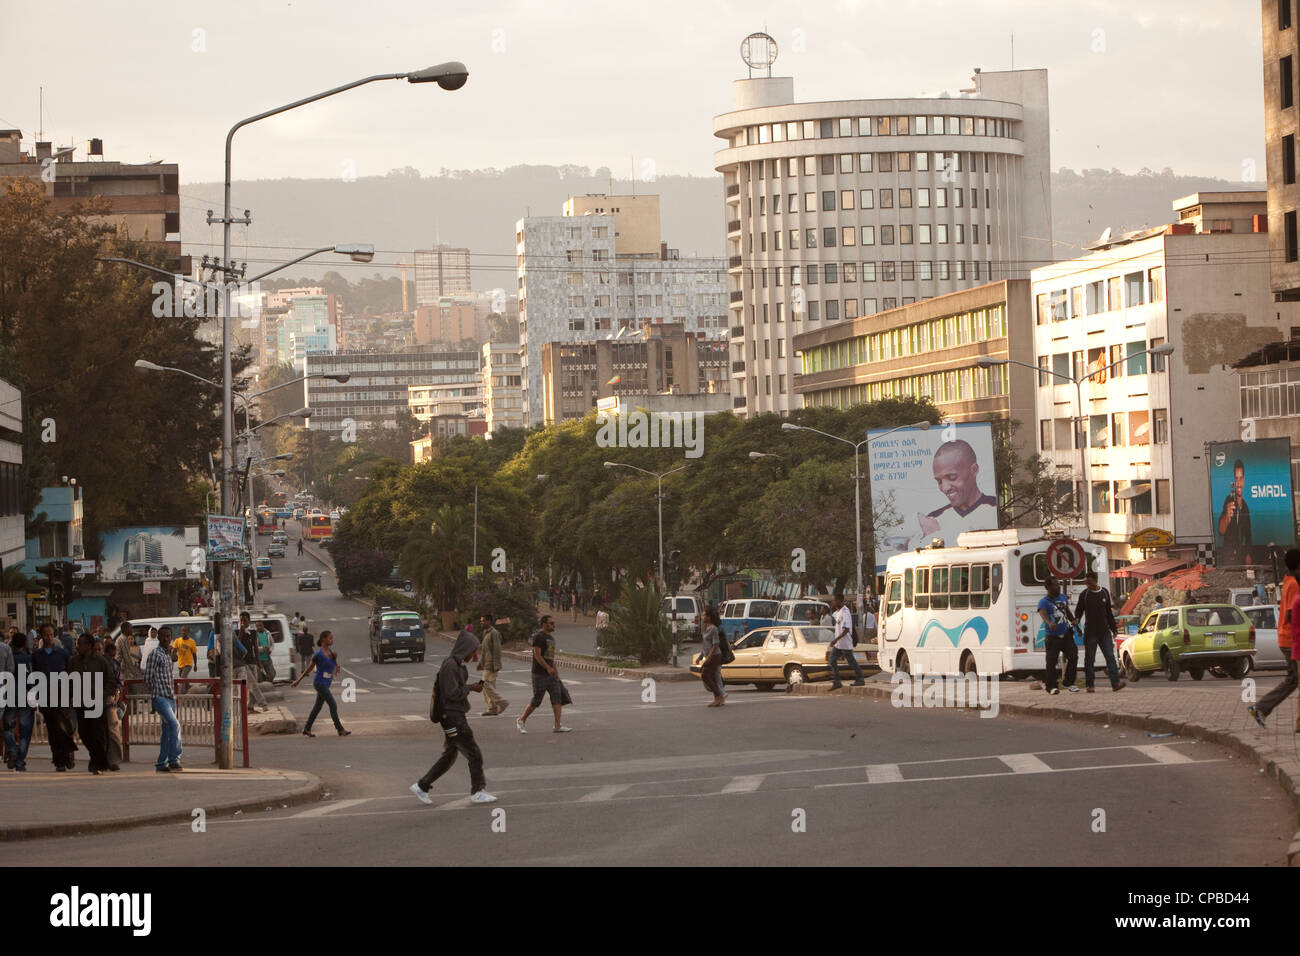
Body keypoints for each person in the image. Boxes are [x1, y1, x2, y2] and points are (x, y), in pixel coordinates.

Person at [410, 629, 496, 805]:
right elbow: (452, 693)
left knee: (449, 755)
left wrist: (469, 688)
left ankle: (422, 785)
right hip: (452, 717)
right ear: (465, 648)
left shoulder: (456, 665)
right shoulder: (450, 665)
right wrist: (470, 688)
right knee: (474, 753)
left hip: (453, 715)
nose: (474, 654)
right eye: (473, 650)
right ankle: (477, 791)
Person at [1250, 548, 1300, 728]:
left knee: (1293, 680)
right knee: (1293, 680)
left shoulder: (1287, 580)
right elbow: (1290, 614)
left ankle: (1262, 708)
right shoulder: (1294, 583)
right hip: (1290, 639)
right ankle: (1261, 707)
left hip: (1286, 638)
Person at [916, 439, 999, 545]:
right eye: (939, 481)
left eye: (951, 477)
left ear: (974, 470)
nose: (945, 488)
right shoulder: (934, 520)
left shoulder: (996, 509)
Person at [516, 615, 572, 734]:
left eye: (554, 623)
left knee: (557, 699)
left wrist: (556, 673)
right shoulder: (539, 637)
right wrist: (547, 668)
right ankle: (521, 720)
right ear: (543, 624)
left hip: (551, 675)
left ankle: (557, 726)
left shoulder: (551, 638)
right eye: (551, 623)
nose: (553, 625)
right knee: (537, 700)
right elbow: (537, 655)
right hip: (539, 674)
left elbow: (551, 658)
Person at [33, 624, 78, 770]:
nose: (49, 637)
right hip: (45, 697)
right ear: (41, 636)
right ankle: (59, 761)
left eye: (51, 634)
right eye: (46, 634)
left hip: (61, 696)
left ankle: (68, 756)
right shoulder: (36, 656)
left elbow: (70, 675)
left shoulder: (63, 654)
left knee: (64, 728)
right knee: (52, 731)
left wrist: (71, 694)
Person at [1074, 571, 1126, 693]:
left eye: (1090, 582)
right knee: (1090, 659)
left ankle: (1115, 683)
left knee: (1110, 658)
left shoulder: (1104, 592)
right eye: (1086, 583)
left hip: (1104, 632)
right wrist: (1076, 620)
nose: (1088, 585)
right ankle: (1090, 685)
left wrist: (1114, 629)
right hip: (1090, 632)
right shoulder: (1084, 595)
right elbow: (1079, 611)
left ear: (1095, 580)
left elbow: (1108, 613)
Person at [69, 634, 115, 774]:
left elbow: (111, 682)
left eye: (80, 644)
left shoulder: (101, 662)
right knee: (84, 734)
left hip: (97, 704)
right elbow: (69, 681)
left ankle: (97, 763)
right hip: (80, 704)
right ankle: (96, 758)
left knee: (97, 734)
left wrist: (102, 696)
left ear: (88, 646)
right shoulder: (73, 661)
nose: (77, 646)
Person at [293, 631, 350, 737]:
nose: (331, 640)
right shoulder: (318, 654)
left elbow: (334, 670)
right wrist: (298, 680)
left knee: (317, 707)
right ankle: (340, 729)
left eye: (332, 638)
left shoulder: (330, 652)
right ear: (323, 639)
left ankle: (307, 728)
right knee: (333, 704)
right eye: (330, 638)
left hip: (326, 683)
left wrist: (334, 658)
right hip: (320, 683)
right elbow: (309, 668)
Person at [147, 626, 182, 772]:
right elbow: (148, 677)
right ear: (159, 638)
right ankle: (174, 758)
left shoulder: (168, 655)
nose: (166, 639)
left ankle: (162, 763)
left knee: (167, 730)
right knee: (175, 725)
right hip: (160, 696)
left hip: (170, 696)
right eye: (164, 636)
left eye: (169, 636)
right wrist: (153, 697)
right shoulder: (155, 654)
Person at [1038, 579, 1079, 694]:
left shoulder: (1063, 597)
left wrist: (1074, 623)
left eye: (1059, 585)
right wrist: (1049, 623)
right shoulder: (1043, 602)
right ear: (1048, 588)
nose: (1058, 587)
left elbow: (1067, 611)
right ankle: (1051, 686)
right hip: (1052, 637)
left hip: (1066, 634)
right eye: (1055, 585)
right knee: (1051, 662)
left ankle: (1069, 682)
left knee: (1073, 656)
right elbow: (1043, 614)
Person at [4, 632, 34, 771]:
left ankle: (12, 749)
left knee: (8, 727)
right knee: (25, 730)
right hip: (24, 697)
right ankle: (20, 761)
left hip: (9, 696)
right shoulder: (27, 659)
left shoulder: (7, 657)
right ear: (23, 644)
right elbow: (31, 679)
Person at [1216, 458, 1253, 566]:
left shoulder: (1246, 508)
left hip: (1241, 558)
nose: (1238, 483)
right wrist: (1227, 517)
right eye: (1236, 478)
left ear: (1244, 480)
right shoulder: (1229, 500)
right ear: (1233, 481)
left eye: (1241, 478)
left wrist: (1248, 559)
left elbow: (1248, 538)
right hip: (1229, 558)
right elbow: (1221, 531)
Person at [828, 593, 865, 690]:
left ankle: (860, 679)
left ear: (840, 601)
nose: (833, 602)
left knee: (851, 662)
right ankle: (837, 681)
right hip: (839, 644)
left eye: (834, 600)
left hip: (845, 643)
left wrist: (835, 639)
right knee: (832, 660)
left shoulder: (845, 612)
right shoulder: (838, 612)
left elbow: (847, 629)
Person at [236, 612, 269, 713]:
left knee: (252, 685)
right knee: (253, 684)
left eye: (244, 620)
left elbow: (255, 647)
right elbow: (237, 644)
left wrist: (258, 663)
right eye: (241, 620)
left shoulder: (253, 633)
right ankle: (263, 703)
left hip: (252, 661)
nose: (242, 623)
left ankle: (250, 707)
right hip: (243, 663)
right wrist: (241, 632)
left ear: (249, 621)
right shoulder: (237, 632)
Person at [476, 613, 508, 716]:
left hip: (492, 665)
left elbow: (497, 650)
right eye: (481, 621)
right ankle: (492, 708)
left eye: (483, 621)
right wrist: (481, 663)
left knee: (484, 684)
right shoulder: (485, 633)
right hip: (486, 665)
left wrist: (496, 665)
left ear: (489, 621)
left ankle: (502, 702)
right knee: (490, 687)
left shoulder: (494, 633)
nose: (481, 622)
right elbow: (484, 651)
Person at [101, 639, 125, 768]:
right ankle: (108, 760)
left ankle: (113, 760)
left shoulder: (114, 664)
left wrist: (118, 698)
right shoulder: (96, 664)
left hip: (109, 701)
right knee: (109, 731)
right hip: (101, 700)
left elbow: (119, 683)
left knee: (112, 730)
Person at [699, 606, 725, 706]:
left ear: (709, 617)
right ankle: (718, 698)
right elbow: (706, 644)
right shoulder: (706, 628)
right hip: (709, 656)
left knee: (705, 675)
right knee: (711, 677)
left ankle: (719, 696)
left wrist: (709, 658)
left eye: (704, 615)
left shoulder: (713, 629)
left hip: (715, 656)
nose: (702, 617)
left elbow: (715, 644)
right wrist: (700, 656)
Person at [174, 625, 198, 694]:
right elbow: (174, 651)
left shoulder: (191, 641)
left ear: (188, 632)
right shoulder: (177, 641)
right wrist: (173, 655)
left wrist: (195, 665)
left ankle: (181, 695)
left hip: (188, 664)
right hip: (180, 664)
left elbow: (194, 654)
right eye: (182, 631)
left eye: (185, 631)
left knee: (182, 679)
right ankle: (190, 689)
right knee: (184, 679)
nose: (183, 632)